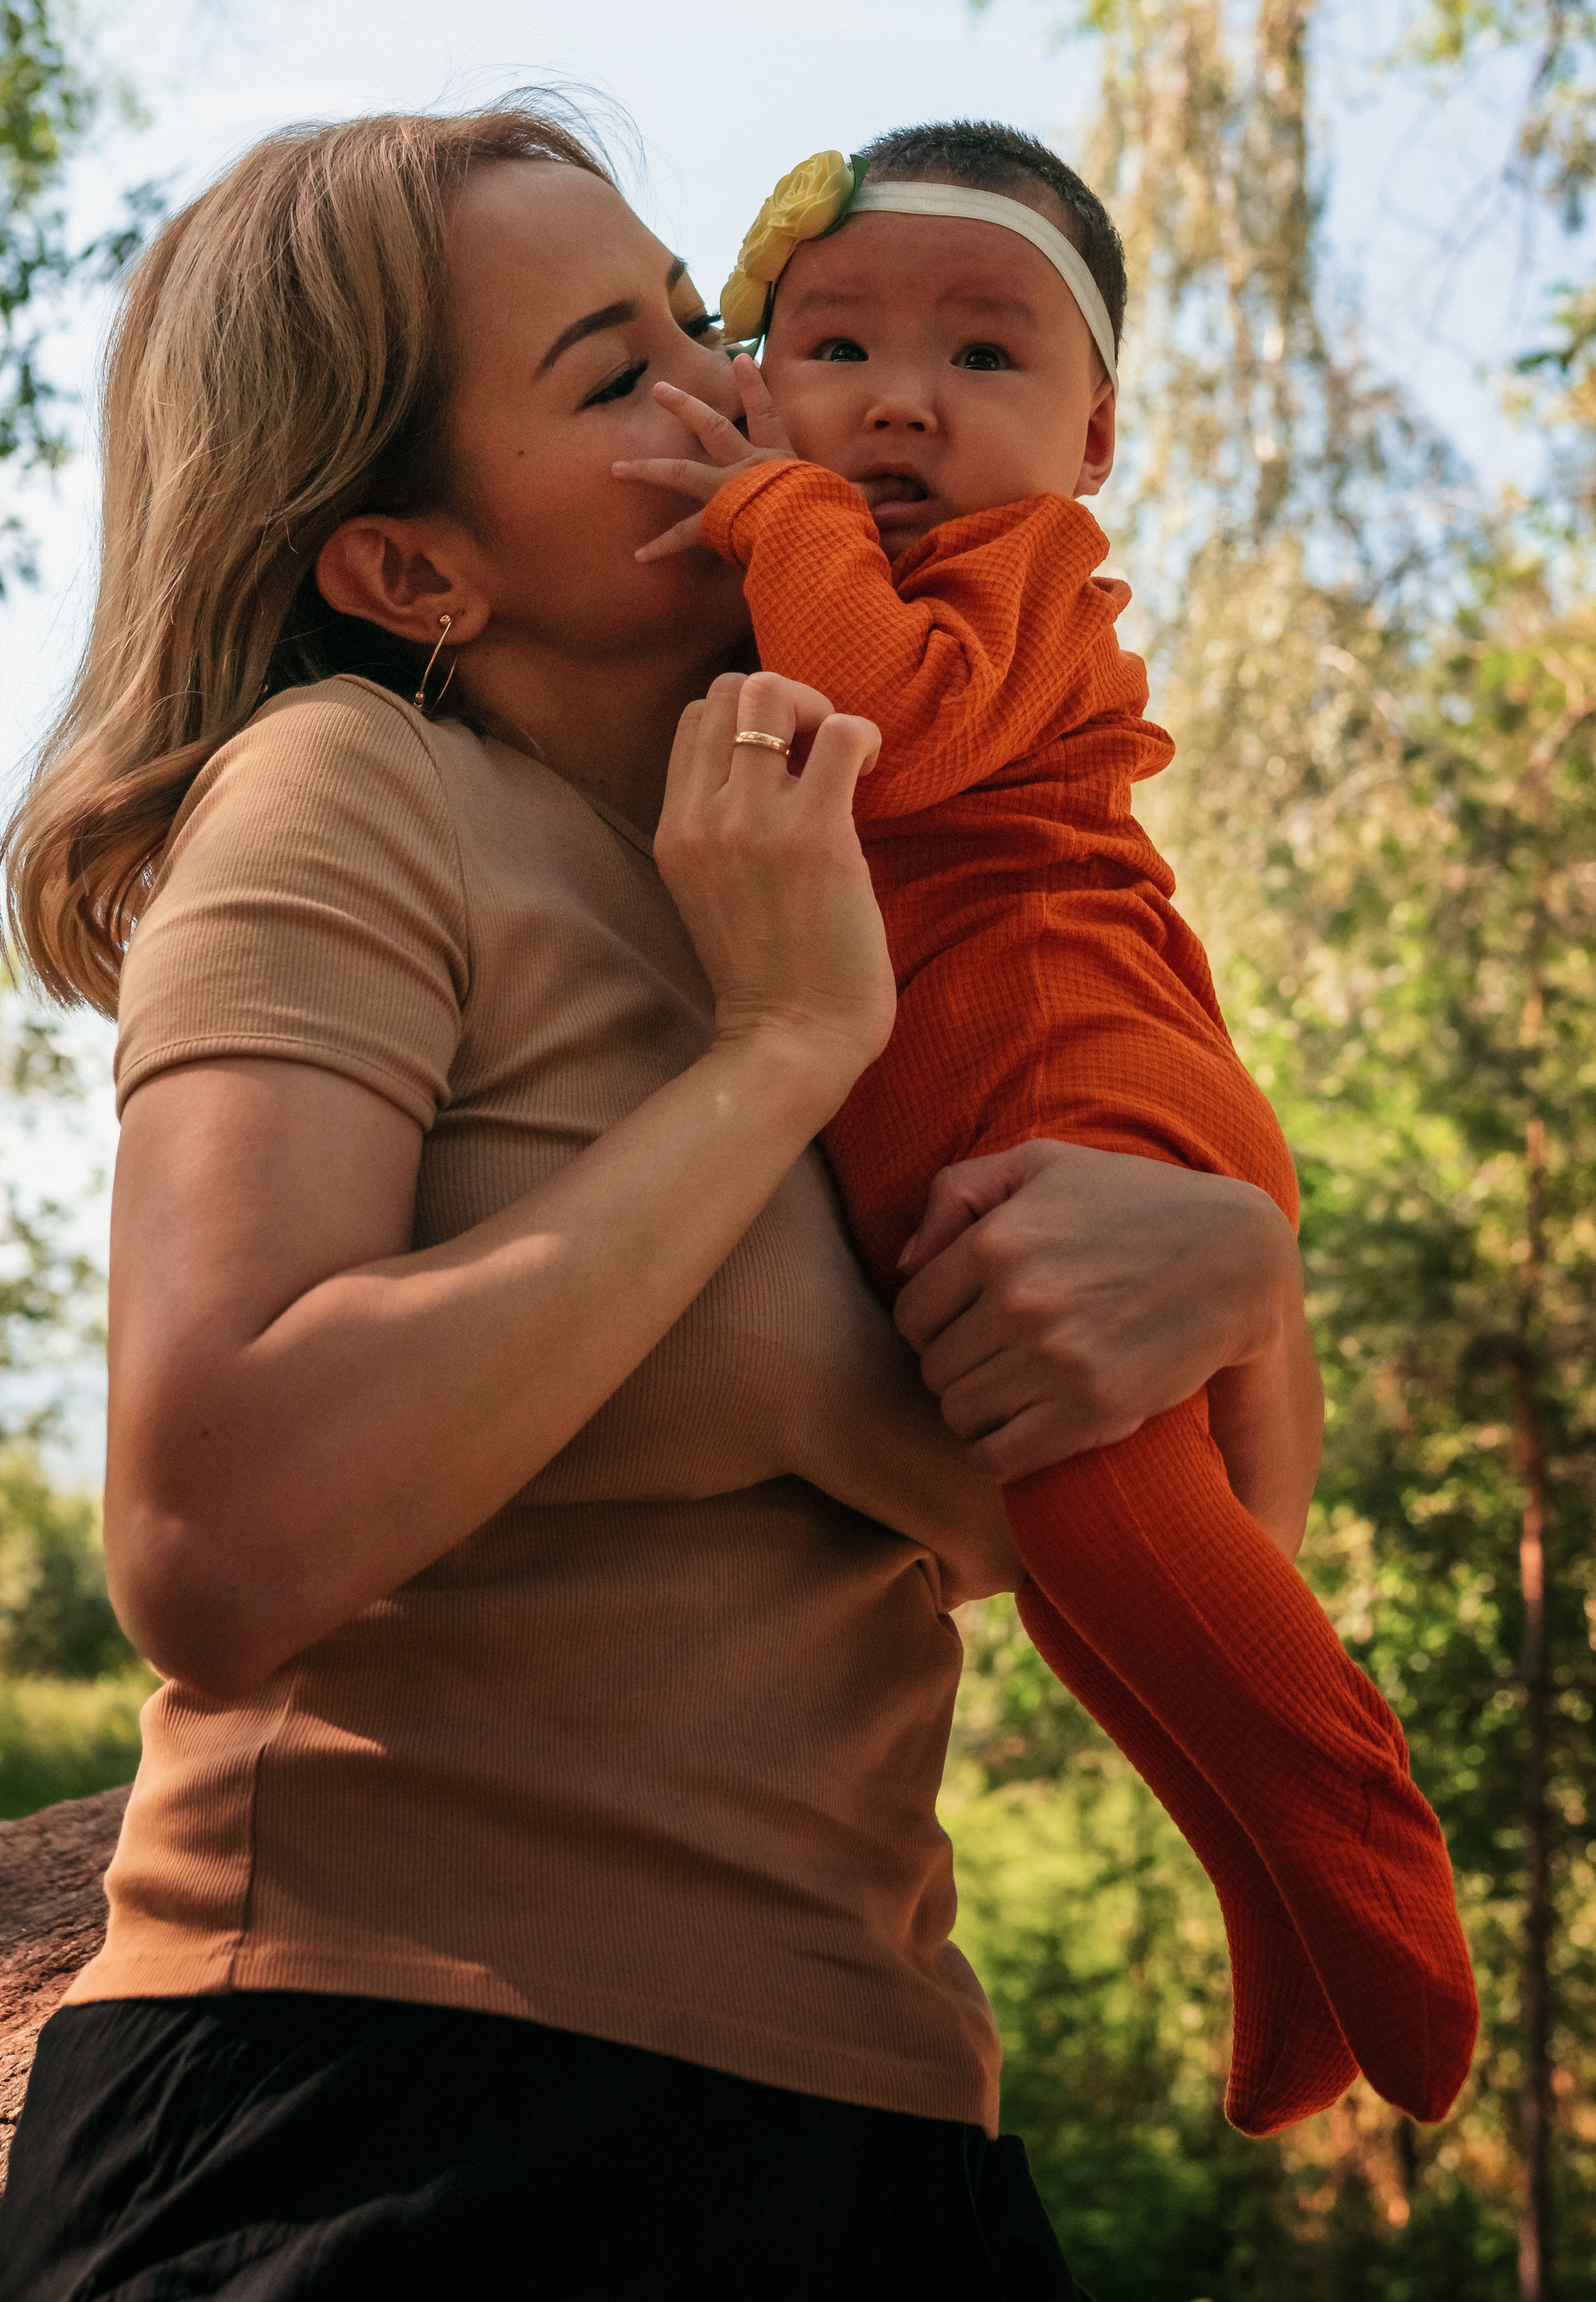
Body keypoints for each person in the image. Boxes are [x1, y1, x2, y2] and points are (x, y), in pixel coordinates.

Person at [0, 104, 1329, 2301]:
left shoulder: (867, 857)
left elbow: (1156, 1554)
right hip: (376, 2106)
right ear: (414, 568)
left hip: (890, 2120)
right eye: (615, 377)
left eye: (700, 324)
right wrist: (773, 1056)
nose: (729, 393)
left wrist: (1246, 1267)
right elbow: (208, 1540)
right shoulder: (359, 798)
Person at [616, 124, 1479, 2137]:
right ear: (760, 365)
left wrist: (774, 503)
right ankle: (1277, 1914)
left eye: (987, 358)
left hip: (1063, 1050)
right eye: (833, 346)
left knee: (1100, 1512)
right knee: (1096, 1591)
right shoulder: (846, 558)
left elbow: (894, 727)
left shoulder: (996, 568)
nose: (901, 398)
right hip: (995, 1078)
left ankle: (1364, 1833)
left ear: (1095, 443)